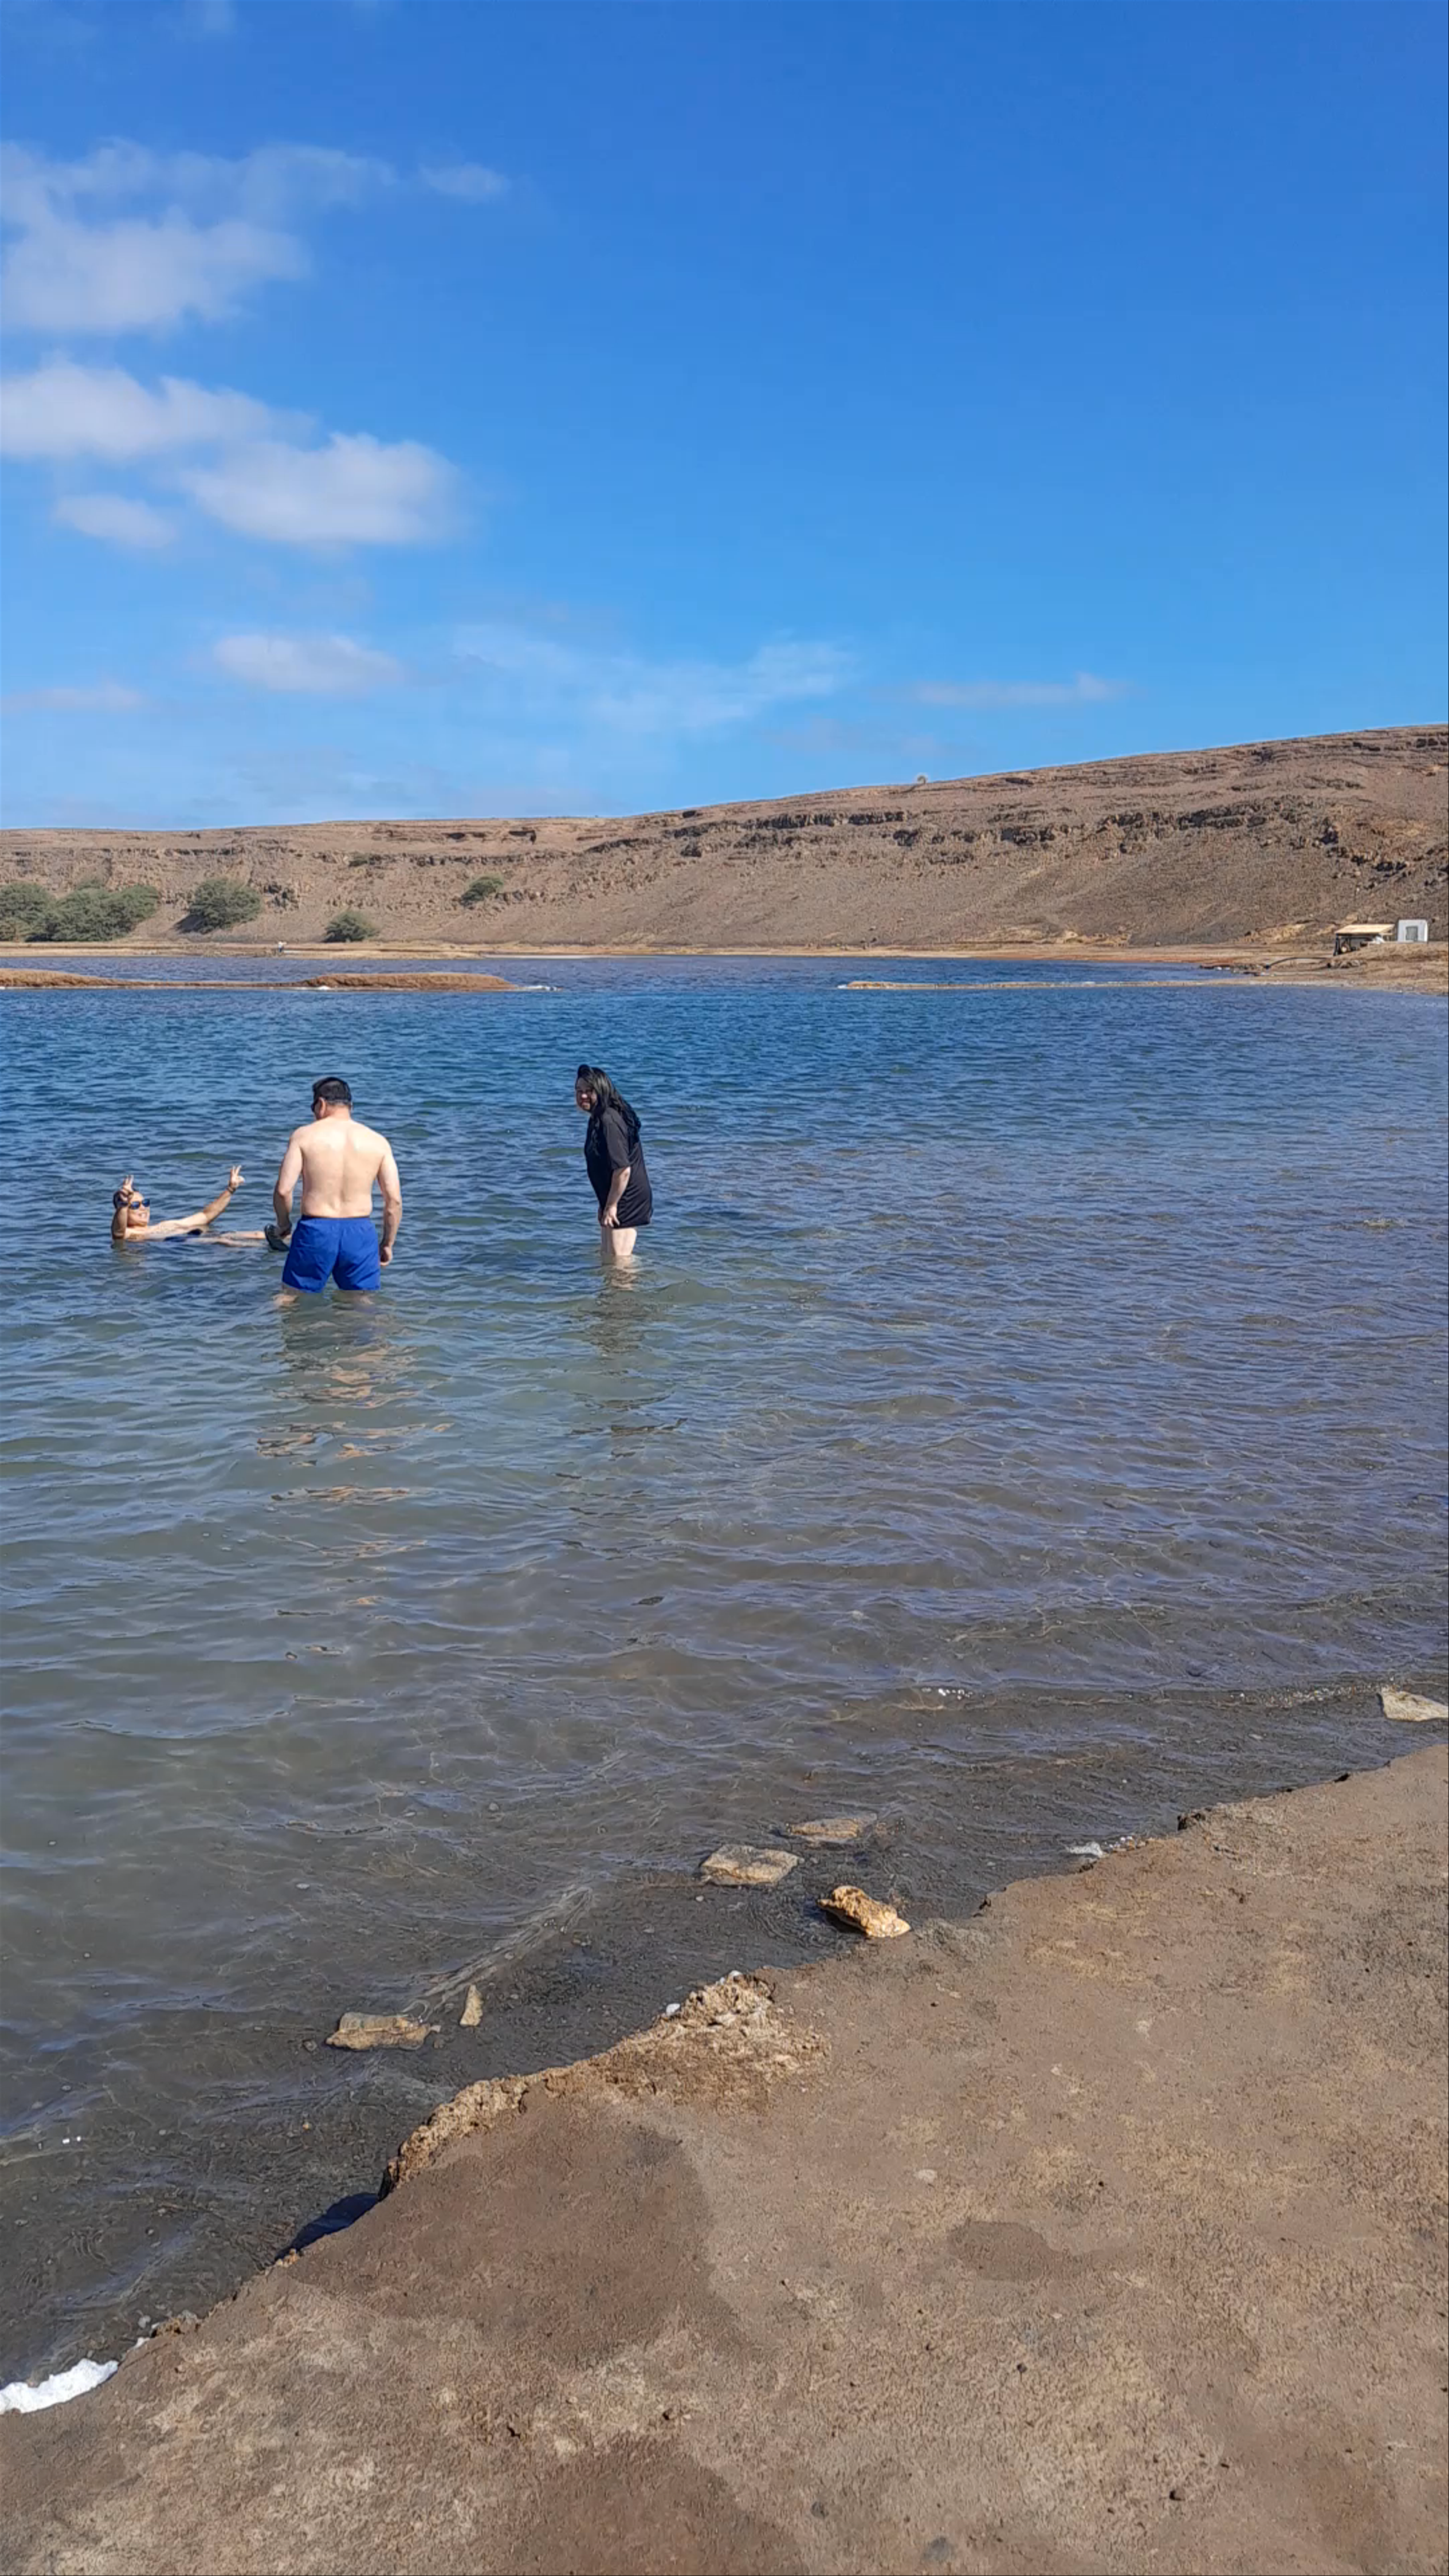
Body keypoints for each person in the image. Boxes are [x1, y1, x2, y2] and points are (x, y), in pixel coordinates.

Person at [270, 1076, 401, 1295]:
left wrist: (284, 1224)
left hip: (316, 1229)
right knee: (362, 1304)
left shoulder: (304, 1137)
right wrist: (388, 1243)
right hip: (360, 1232)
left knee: (291, 1298)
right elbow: (394, 1201)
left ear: (321, 1104)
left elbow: (284, 1190)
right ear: (350, 1106)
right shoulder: (378, 1142)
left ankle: (270, 1329)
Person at [574, 1064, 652, 1259]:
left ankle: (630, 1289)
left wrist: (612, 1205)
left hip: (626, 1198)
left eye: (589, 1091)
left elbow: (623, 1169)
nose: (583, 1096)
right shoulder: (597, 1118)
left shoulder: (610, 1120)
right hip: (613, 1196)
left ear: (601, 1091)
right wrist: (605, 1202)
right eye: (579, 1091)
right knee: (608, 1257)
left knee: (620, 1262)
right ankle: (610, 1291)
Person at [111, 1166, 266, 1245]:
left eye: (145, 1203)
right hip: (183, 1244)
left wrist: (231, 1190)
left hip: (197, 1236)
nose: (143, 1208)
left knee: (259, 1235)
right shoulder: (131, 1234)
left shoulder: (166, 1224)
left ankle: (284, 1239)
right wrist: (123, 1204)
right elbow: (118, 1233)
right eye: (136, 1205)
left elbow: (206, 1216)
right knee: (225, 1241)